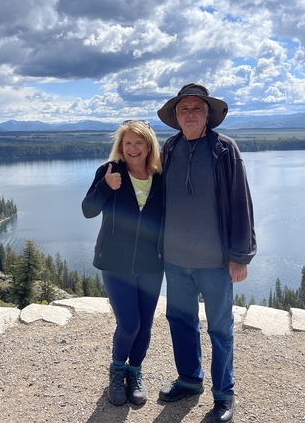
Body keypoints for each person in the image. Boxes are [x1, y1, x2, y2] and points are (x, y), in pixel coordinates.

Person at [156, 83, 256, 423]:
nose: (190, 114)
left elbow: (241, 203)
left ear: (208, 114)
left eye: (197, 108)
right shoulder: (169, 148)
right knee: (181, 321)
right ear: (176, 115)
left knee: (220, 329)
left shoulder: (224, 150)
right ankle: (189, 380)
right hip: (175, 258)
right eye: (184, 108)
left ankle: (224, 395)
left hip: (215, 261)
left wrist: (240, 255)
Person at [81, 120, 164, 406]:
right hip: (115, 263)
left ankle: (135, 372)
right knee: (129, 324)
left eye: (139, 143)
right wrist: (105, 187)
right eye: (127, 143)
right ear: (120, 146)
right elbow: (88, 210)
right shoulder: (109, 172)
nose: (133, 148)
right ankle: (117, 371)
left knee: (145, 326)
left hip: (152, 264)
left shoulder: (161, 176)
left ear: (149, 146)